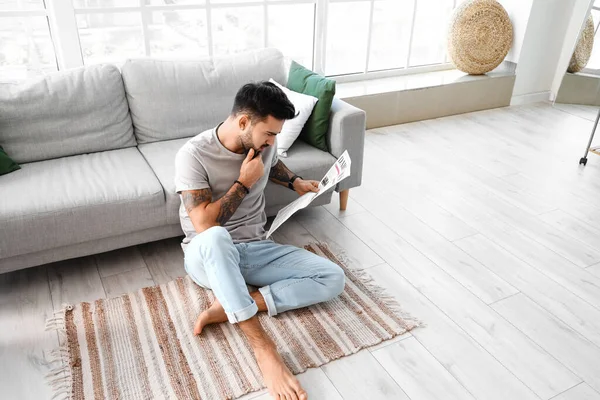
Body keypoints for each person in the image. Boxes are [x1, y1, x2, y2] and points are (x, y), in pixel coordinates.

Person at [174, 81, 346, 400]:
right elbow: (203, 224)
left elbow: (272, 162)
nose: (272, 141)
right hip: (208, 255)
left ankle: (233, 304)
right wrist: (243, 182)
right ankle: (264, 350)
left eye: (276, 134)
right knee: (216, 238)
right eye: (269, 134)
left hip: (256, 249)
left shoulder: (264, 144)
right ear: (243, 122)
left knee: (333, 277)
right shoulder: (193, 155)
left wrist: (295, 182)